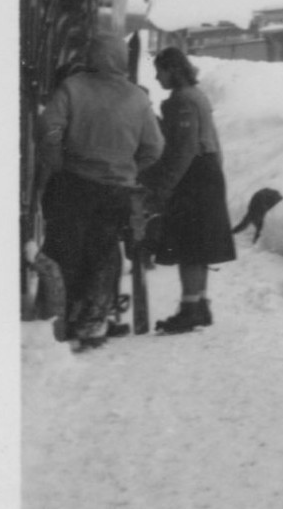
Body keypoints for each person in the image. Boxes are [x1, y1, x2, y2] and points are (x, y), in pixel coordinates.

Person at [38, 31, 165, 348]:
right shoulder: (137, 97)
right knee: (103, 252)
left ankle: (61, 318)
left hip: (74, 183)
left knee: (66, 249)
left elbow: (48, 127)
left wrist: (57, 159)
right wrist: (130, 166)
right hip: (116, 190)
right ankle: (94, 321)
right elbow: (155, 146)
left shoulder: (73, 87)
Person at [140, 47, 236, 333]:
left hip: (192, 177)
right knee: (201, 245)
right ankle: (201, 305)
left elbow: (182, 150)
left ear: (173, 70)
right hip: (207, 172)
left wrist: (164, 187)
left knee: (189, 247)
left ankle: (189, 310)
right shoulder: (199, 96)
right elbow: (213, 144)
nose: (157, 77)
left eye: (160, 71)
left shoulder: (180, 101)